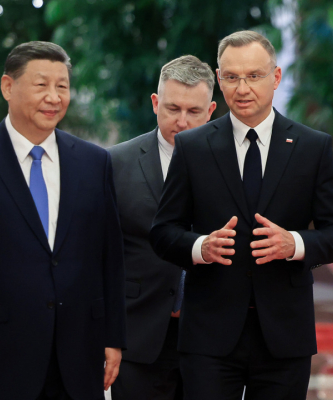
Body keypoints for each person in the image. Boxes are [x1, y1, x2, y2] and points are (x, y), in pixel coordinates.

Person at [150, 30, 333, 400]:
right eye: (232, 77)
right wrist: (200, 247)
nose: (242, 88)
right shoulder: (193, 147)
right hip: (208, 336)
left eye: (254, 76)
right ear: (219, 79)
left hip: (284, 334)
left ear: (275, 77)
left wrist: (294, 243)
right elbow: (163, 231)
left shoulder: (311, 147)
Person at [0, 41, 126, 400]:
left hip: (79, 352)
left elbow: (110, 256)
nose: (54, 97)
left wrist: (114, 337)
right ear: (8, 87)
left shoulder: (94, 162)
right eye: (41, 85)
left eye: (62, 86)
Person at [108, 55, 216, 400]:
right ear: (155, 103)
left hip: (211, 338)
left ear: (211, 111)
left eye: (194, 111)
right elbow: (97, 253)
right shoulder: (115, 163)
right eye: (172, 109)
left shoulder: (233, 164)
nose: (181, 121)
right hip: (137, 333)